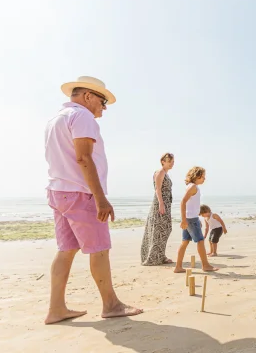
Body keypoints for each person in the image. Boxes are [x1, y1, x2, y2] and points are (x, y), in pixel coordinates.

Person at [43, 76, 142, 324]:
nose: (104, 108)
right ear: (88, 96)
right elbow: (84, 158)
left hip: (58, 191)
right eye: (102, 100)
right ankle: (111, 305)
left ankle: (56, 309)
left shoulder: (55, 119)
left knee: (66, 250)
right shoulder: (82, 116)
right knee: (99, 249)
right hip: (80, 193)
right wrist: (101, 199)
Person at [173, 167, 218, 273]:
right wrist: (184, 220)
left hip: (190, 218)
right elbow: (183, 202)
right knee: (200, 241)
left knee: (184, 242)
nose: (204, 179)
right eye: (203, 176)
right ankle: (205, 265)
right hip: (191, 220)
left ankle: (178, 267)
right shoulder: (193, 187)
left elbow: (191, 205)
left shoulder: (192, 186)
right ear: (197, 176)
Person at [140, 153, 175, 265]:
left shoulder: (165, 173)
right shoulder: (160, 172)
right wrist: (161, 203)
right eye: (169, 161)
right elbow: (157, 189)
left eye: (172, 161)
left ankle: (161, 255)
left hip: (166, 204)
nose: (171, 164)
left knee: (165, 230)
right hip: (160, 204)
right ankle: (154, 257)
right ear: (163, 161)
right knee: (158, 230)